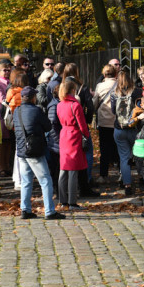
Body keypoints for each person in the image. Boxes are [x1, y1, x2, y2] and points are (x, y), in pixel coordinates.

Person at [13, 86, 63, 220]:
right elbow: (48, 126)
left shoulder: (16, 111)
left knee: (26, 181)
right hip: (34, 150)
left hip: (21, 150)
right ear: (32, 98)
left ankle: (25, 209)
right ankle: (49, 211)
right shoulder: (36, 110)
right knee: (45, 180)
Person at [56, 79, 90, 209]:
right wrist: (86, 136)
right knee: (73, 171)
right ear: (73, 90)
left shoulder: (59, 104)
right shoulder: (75, 105)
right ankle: (72, 201)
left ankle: (62, 199)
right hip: (74, 136)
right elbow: (82, 124)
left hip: (64, 134)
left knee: (63, 168)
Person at [110, 71, 142, 195]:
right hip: (134, 128)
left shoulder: (114, 94)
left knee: (124, 158)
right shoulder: (137, 92)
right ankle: (142, 178)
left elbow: (114, 111)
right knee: (139, 155)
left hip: (119, 128)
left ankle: (127, 184)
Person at [94, 65, 119, 183]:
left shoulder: (100, 86)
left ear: (104, 75)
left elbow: (95, 102)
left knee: (104, 150)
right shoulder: (120, 85)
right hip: (117, 121)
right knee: (119, 148)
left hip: (104, 121)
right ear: (115, 74)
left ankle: (103, 175)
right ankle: (121, 173)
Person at [0, 60, 14, 177]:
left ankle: (7, 166)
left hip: (10, 115)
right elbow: (1, 98)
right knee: (2, 143)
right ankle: (2, 167)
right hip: (2, 115)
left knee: (9, 142)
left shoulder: (10, 82)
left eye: (8, 70)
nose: (7, 72)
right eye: (4, 70)